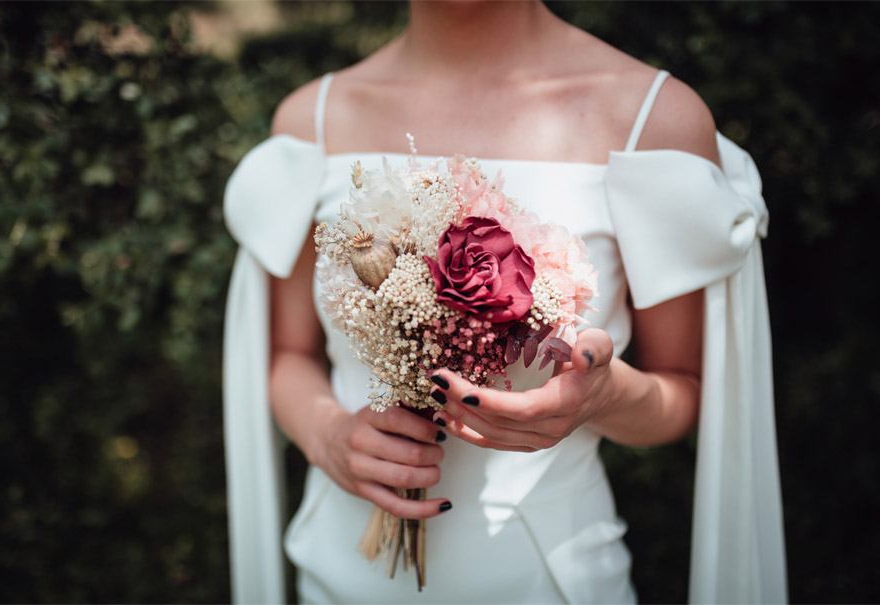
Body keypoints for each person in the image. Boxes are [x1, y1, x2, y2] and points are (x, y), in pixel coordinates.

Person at [221, 2, 787, 603]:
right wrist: (327, 433)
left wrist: (607, 394)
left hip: (546, 577)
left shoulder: (652, 119)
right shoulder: (314, 120)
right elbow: (287, 354)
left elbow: (683, 389)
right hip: (341, 572)